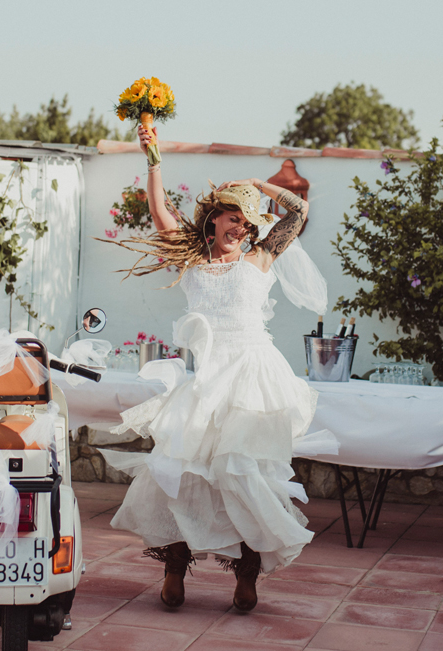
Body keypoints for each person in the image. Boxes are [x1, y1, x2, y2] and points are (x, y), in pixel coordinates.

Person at [105, 123, 337, 611]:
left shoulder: (262, 256)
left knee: (244, 471)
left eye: (247, 222)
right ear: (213, 220)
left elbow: (297, 210)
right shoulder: (192, 262)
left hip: (253, 376)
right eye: (234, 218)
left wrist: (256, 184)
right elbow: (159, 212)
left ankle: (246, 577)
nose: (242, 228)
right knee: (184, 470)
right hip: (207, 379)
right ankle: (174, 568)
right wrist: (154, 163)